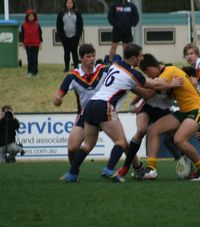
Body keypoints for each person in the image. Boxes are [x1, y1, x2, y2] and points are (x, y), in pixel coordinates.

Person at [62, 44, 167, 183]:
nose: (142, 59)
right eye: (140, 56)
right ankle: (109, 169)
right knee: (121, 142)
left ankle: (72, 174)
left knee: (87, 144)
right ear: (134, 58)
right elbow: (152, 85)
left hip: (91, 104)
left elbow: (135, 88)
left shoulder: (115, 65)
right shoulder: (133, 73)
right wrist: (171, 83)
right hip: (105, 105)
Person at [132, 53, 200, 181]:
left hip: (197, 109)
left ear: (150, 69)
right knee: (152, 130)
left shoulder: (168, 71)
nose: (149, 77)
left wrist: (131, 82)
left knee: (179, 140)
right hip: (185, 110)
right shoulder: (168, 71)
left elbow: (154, 86)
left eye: (147, 74)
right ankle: (151, 169)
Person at [53, 44, 109, 164]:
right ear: (81, 58)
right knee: (72, 147)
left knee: (122, 142)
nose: (92, 59)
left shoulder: (103, 70)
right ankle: (72, 172)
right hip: (85, 114)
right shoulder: (73, 76)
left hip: (104, 112)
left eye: (93, 56)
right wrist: (57, 99)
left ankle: (137, 168)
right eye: (88, 56)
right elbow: (58, 95)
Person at [107, 0, 139, 64]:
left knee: (126, 48)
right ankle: (110, 62)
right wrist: (115, 24)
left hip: (127, 30)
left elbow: (136, 16)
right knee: (113, 46)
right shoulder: (114, 5)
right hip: (117, 29)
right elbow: (110, 16)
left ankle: (125, 62)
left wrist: (131, 24)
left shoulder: (131, 6)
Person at [56, 0, 84, 72]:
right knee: (66, 52)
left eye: (71, 3)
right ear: (65, 4)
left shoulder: (77, 13)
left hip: (74, 37)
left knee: (74, 53)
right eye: (68, 3)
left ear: (73, 4)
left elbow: (80, 25)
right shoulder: (61, 13)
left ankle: (76, 67)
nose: (69, 4)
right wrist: (62, 37)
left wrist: (77, 36)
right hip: (65, 37)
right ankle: (66, 68)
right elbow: (58, 26)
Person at [19, 9, 42, 77]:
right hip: (27, 44)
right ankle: (30, 72)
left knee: (35, 58)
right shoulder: (24, 25)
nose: (31, 17)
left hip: (36, 44)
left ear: (34, 17)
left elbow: (40, 34)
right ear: (27, 17)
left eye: (32, 16)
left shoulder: (37, 25)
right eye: (29, 16)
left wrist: (40, 43)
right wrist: (23, 43)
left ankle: (35, 72)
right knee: (29, 58)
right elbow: (22, 35)